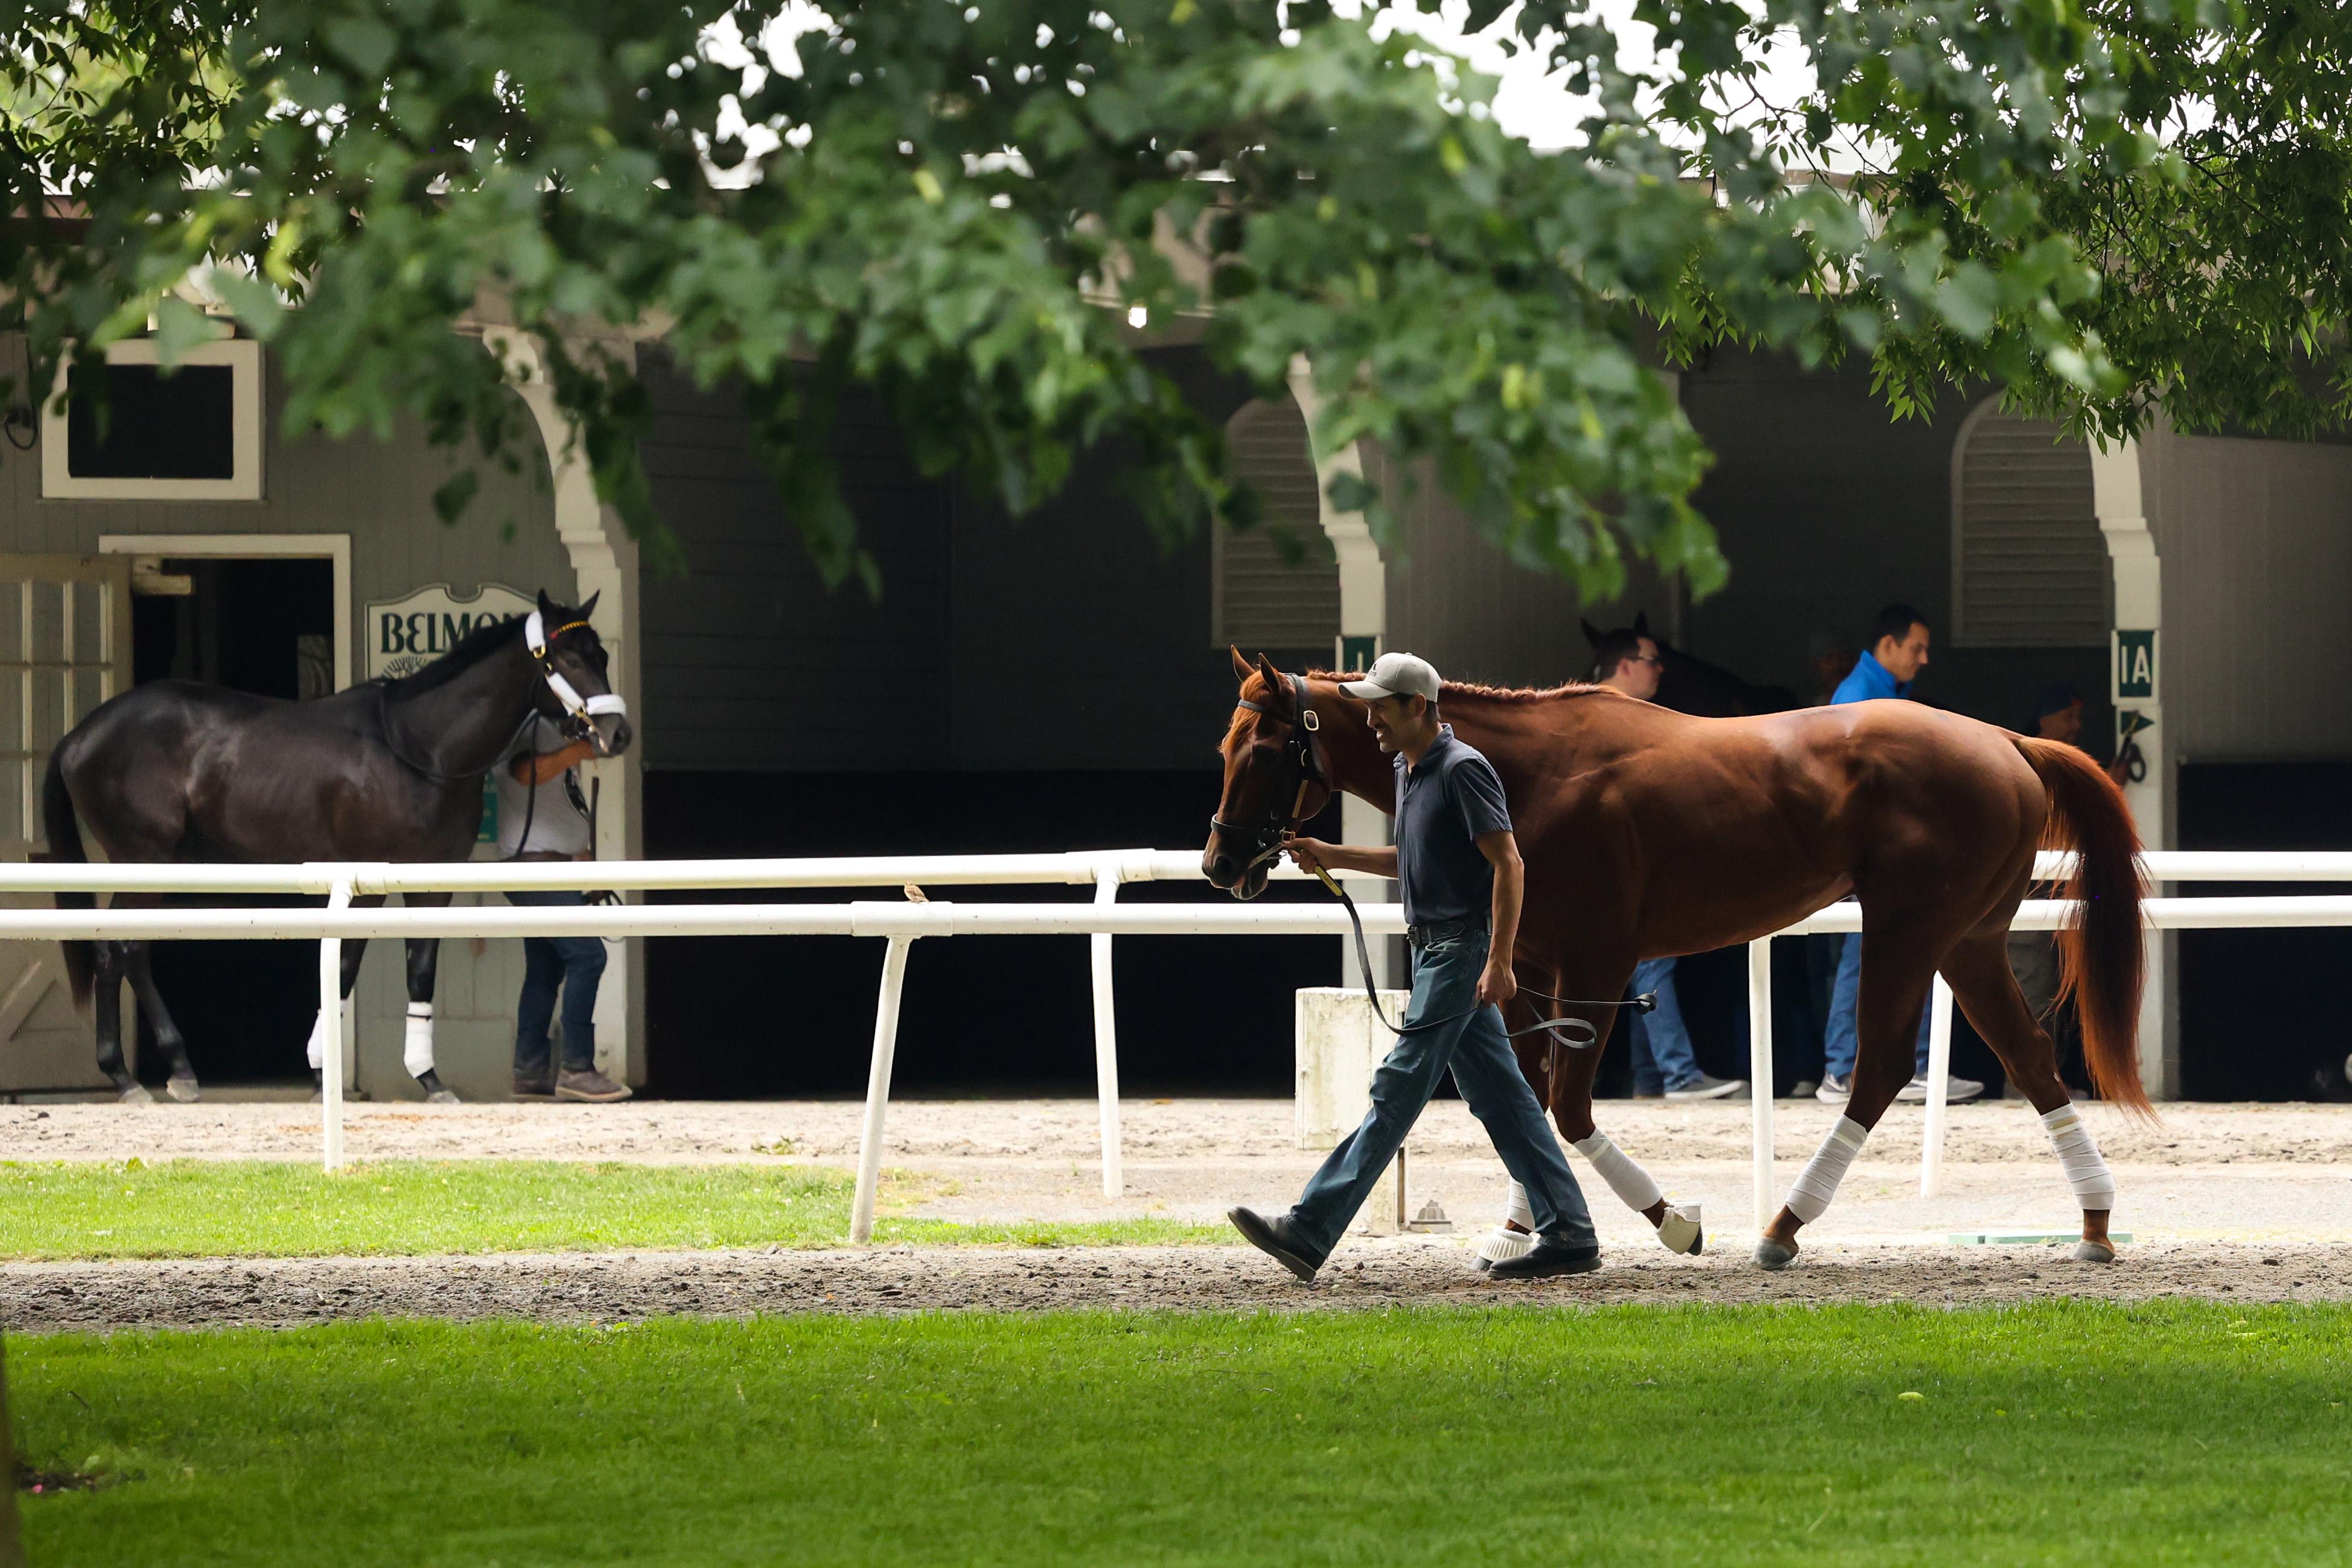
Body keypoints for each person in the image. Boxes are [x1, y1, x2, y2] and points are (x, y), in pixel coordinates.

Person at [1227, 651, 1601, 1281]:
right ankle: (1570, 1231)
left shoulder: (1463, 770)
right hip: (1435, 948)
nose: (1370, 718)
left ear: (1417, 708)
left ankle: (1310, 1228)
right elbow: (1413, 857)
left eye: (1380, 706)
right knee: (1504, 1100)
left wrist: (1501, 960)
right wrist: (1333, 854)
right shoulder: (1410, 768)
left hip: (1458, 952)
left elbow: (1510, 864)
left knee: (1396, 1090)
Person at [1818, 604, 1986, 1107]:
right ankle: (1845, 1069)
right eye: (1916, 648)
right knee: (1862, 960)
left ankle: (1877, 1067)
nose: (1924, 658)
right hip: (1868, 859)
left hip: (1878, 859)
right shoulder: (1860, 700)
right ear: (1887, 646)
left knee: (1883, 957)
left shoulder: (1881, 695)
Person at [1589, 628, 1747, 1101]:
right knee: (1652, 956)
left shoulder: (1608, 714)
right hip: (1621, 863)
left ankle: (1652, 1077)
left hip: (1621, 860)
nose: (1660, 669)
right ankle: (1677, 1075)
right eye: (1652, 660)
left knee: (1644, 961)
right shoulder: (1608, 717)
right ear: (1624, 666)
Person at [500, 713, 631, 1103]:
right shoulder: (527, 725)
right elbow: (524, 772)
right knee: (588, 957)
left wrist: (584, 862)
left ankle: (530, 1071)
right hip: (536, 870)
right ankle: (576, 1067)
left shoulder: (550, 727)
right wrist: (579, 750)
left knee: (545, 969)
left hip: (555, 868)